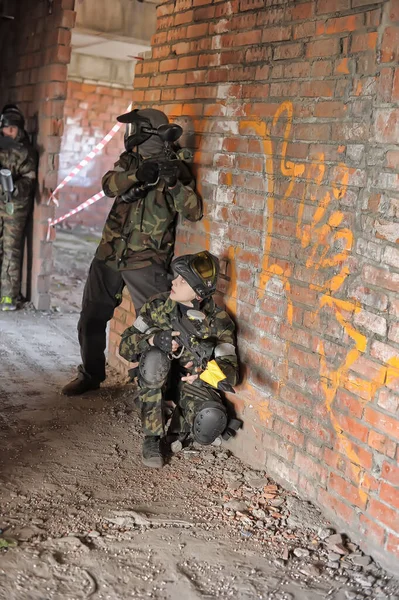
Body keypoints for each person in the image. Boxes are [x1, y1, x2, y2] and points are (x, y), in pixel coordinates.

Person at [62, 108, 202, 396]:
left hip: (147, 260)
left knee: (155, 326)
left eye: (135, 127)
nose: (130, 134)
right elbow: (108, 185)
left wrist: (173, 182)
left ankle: (156, 391)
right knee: (91, 316)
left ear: (149, 131)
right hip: (110, 252)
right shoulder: (130, 160)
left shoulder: (174, 167)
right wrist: (135, 176)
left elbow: (193, 210)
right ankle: (90, 374)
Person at [119, 251, 240, 468]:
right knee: (155, 359)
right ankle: (152, 438)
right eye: (177, 277)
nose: (174, 281)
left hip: (190, 383)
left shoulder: (219, 321)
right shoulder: (157, 306)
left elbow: (231, 371)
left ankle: (179, 429)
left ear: (199, 294)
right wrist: (153, 340)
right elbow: (125, 346)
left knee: (211, 419)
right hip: (157, 376)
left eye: (183, 281)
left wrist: (205, 370)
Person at [0, 104, 37, 311]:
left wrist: (13, 188)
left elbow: (30, 179)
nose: (8, 133)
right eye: (5, 129)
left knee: (11, 251)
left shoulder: (26, 152)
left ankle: (8, 297)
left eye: (12, 130)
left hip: (15, 206)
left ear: (20, 130)